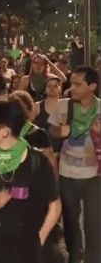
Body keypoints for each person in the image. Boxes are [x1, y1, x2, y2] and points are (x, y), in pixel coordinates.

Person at [0, 99, 61, 263]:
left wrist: (39, 240)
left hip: (26, 246)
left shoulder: (37, 161)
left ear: (4, 131)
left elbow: (55, 205)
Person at [48, 66, 100, 263]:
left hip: (95, 175)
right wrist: (58, 131)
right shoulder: (63, 106)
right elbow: (51, 130)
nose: (72, 88)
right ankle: (74, 253)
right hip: (67, 173)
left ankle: (94, 257)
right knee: (69, 219)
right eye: (72, 83)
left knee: (94, 220)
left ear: (92, 86)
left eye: (78, 84)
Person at [10, 91, 57, 173]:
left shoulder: (39, 134)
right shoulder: (4, 133)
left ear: (29, 109)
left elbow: (51, 162)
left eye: (20, 108)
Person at [34, 77, 63, 156]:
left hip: (63, 154)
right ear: (45, 88)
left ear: (60, 88)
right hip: (43, 153)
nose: (52, 89)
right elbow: (28, 126)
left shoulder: (66, 106)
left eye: (55, 86)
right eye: (49, 86)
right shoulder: (37, 106)